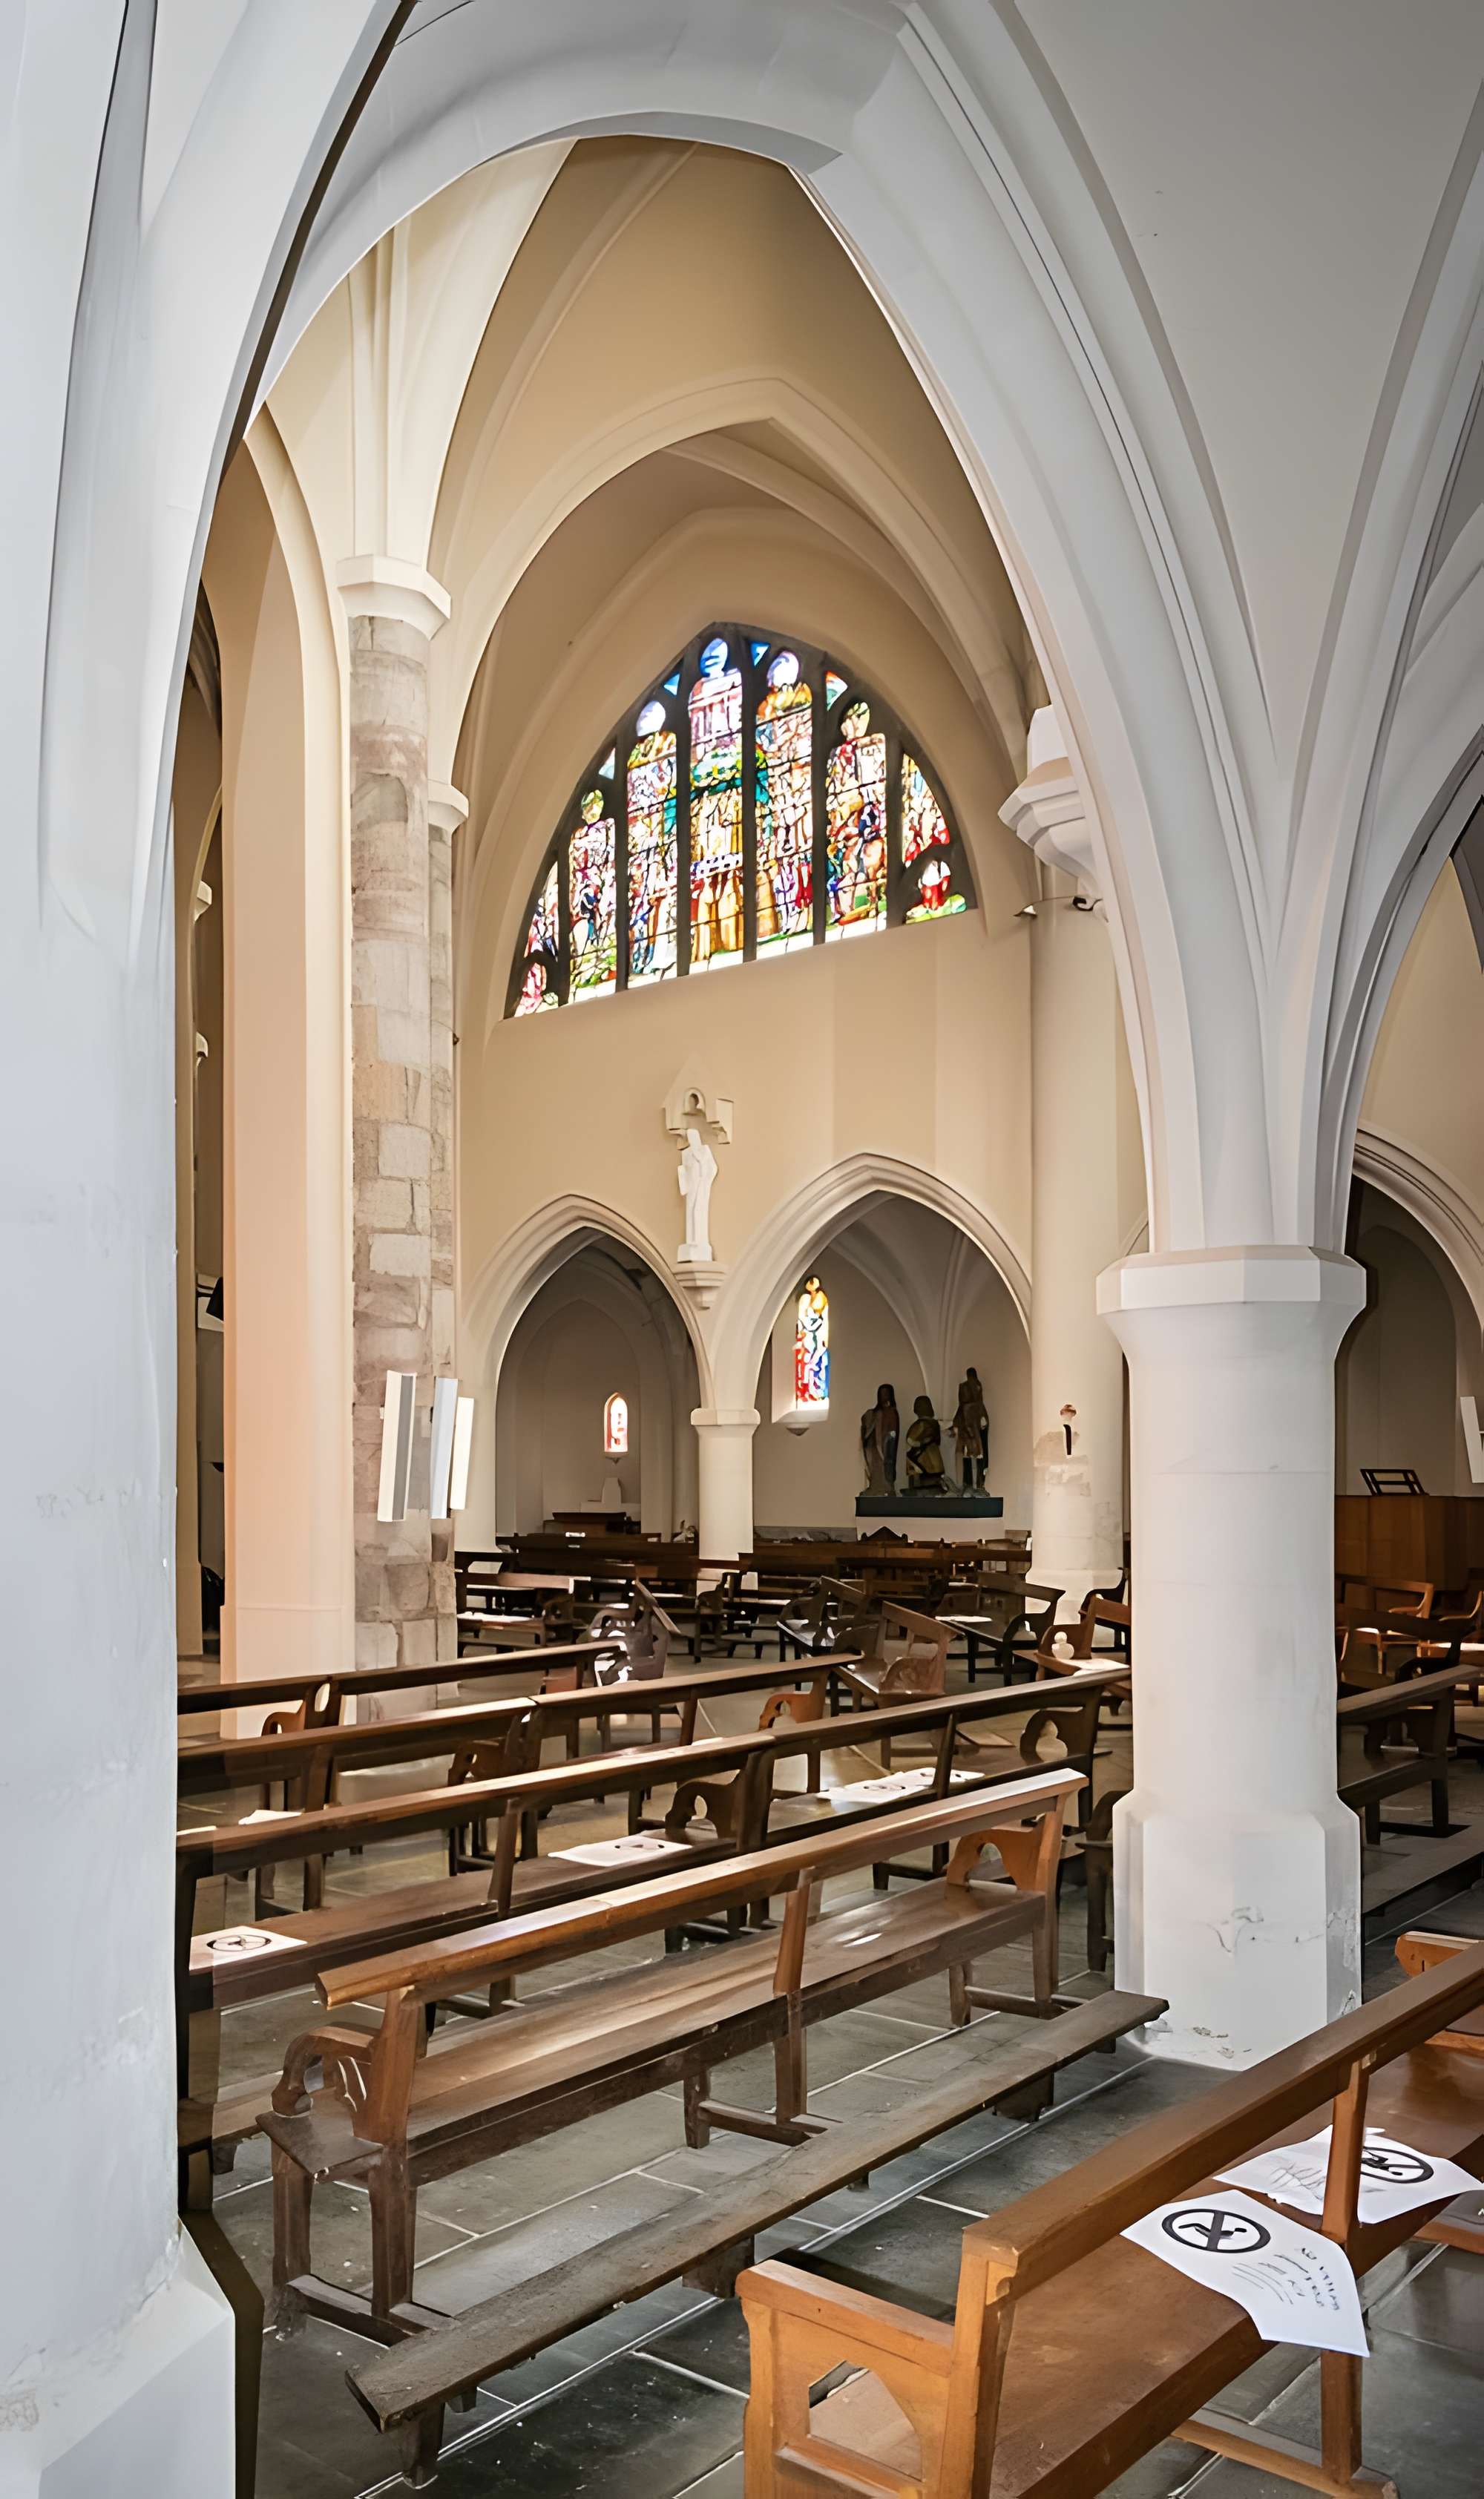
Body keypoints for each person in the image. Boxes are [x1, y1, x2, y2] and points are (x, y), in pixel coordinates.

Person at [951, 1367, 988, 1489]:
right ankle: (971, 1484)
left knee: (976, 1455)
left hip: (973, 1431)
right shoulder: (969, 1406)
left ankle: (977, 1484)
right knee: (969, 1456)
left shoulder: (975, 1405)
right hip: (967, 1432)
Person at [860, 1383, 899, 1494]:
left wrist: (888, 1441)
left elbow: (893, 1432)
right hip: (874, 1447)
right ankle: (875, 1486)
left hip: (886, 1446)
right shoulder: (875, 1413)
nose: (884, 1396)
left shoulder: (892, 1412)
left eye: (886, 1394)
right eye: (882, 1394)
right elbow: (867, 1428)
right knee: (875, 1467)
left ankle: (886, 1487)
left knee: (885, 1466)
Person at [904, 1394, 948, 1491]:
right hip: (936, 1461)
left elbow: (910, 1440)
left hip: (924, 1461)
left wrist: (921, 1443)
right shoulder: (935, 1424)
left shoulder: (921, 1424)